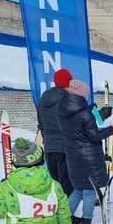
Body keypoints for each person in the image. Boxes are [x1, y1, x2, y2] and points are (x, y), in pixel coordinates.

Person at [58, 78, 113, 224]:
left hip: (73, 156)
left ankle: (65, 219)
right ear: (82, 95)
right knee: (90, 191)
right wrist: (111, 129)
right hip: (89, 157)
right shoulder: (85, 113)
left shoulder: (61, 111)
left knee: (77, 190)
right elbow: (94, 136)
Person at [37, 68, 75, 198]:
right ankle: (65, 215)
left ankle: (54, 212)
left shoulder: (43, 100)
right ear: (69, 82)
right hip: (66, 147)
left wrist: (46, 141)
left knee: (54, 183)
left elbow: (41, 125)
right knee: (66, 185)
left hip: (50, 146)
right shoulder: (68, 99)